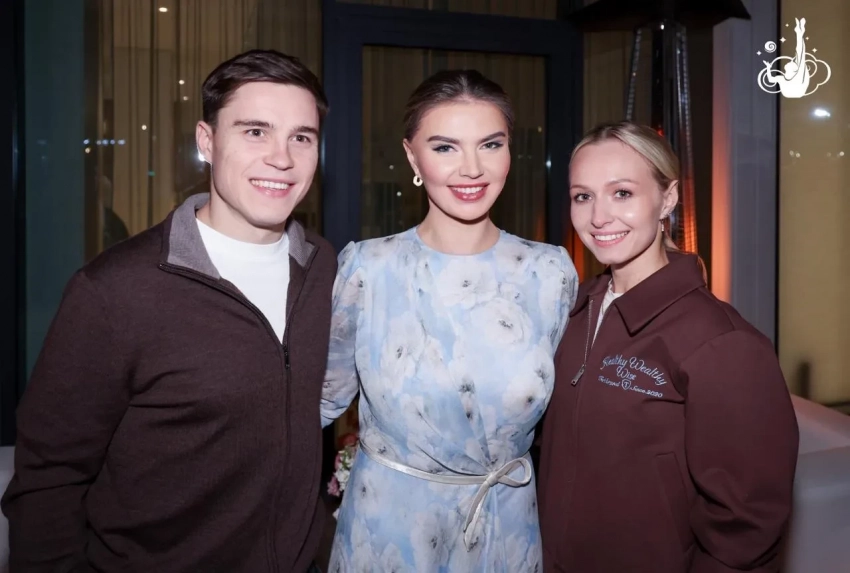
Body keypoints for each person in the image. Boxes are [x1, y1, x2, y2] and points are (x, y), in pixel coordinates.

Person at [2, 49, 337, 573]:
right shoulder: (114, 291)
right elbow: (49, 481)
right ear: (207, 141)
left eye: (302, 137)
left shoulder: (324, 267)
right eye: (255, 131)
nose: (282, 157)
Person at [321, 69, 579, 571]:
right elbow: (318, 401)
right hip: (390, 534)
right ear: (412, 156)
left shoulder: (550, 273)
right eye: (445, 147)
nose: (472, 168)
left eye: (491, 145)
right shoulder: (368, 269)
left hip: (506, 532)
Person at [537, 121, 799, 572]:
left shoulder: (721, 342)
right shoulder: (572, 312)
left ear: (668, 198)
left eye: (622, 193)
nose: (599, 217)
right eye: (583, 196)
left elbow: (747, 527)